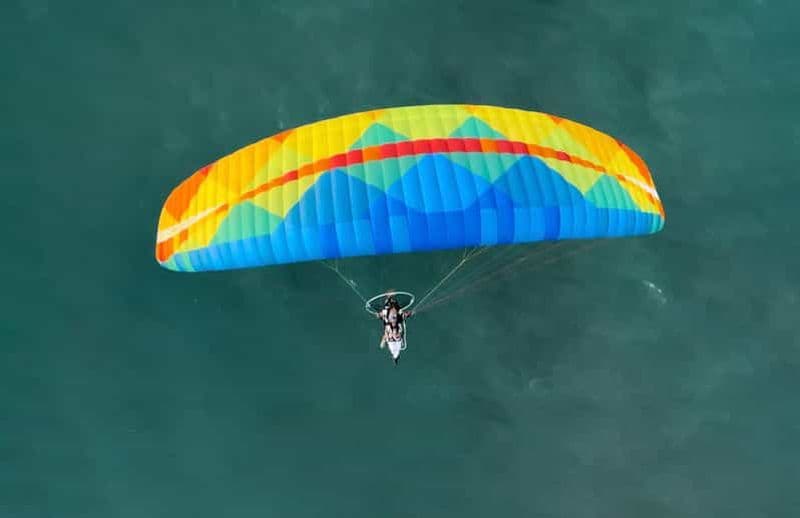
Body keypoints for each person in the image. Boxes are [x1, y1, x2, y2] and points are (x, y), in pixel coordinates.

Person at [375, 295, 412, 365]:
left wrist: (384, 339)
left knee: (392, 349)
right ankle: (395, 357)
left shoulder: (386, 317)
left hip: (391, 339)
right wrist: (408, 314)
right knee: (395, 350)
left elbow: (385, 337)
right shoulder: (399, 316)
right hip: (394, 340)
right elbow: (404, 315)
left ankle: (395, 357)